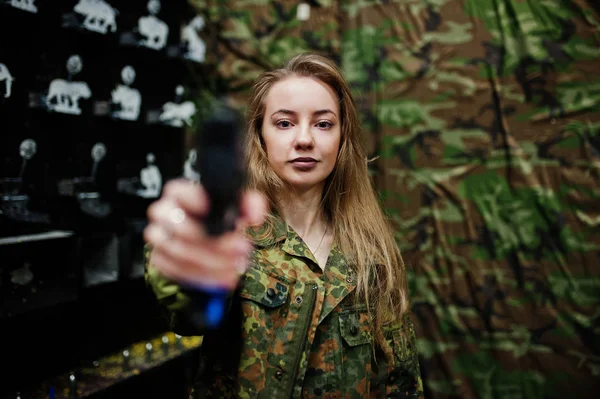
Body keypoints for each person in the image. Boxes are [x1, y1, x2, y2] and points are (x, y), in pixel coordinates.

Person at [143, 53, 424, 398]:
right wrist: (185, 259)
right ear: (260, 135)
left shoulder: (370, 248)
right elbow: (185, 308)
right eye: (284, 123)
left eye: (323, 124)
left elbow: (400, 378)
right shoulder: (234, 236)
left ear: (342, 138)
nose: (304, 139)